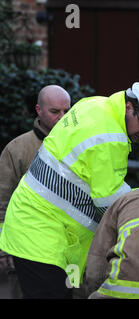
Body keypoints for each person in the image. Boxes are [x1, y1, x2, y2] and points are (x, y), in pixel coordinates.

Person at [0, 79, 139, 299]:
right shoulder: (109, 140)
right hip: (41, 241)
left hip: (50, 236)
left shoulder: (95, 104)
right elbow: (112, 203)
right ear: (129, 107)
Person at [0, 85, 71, 298]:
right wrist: (4, 251)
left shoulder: (80, 146)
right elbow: (2, 202)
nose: (62, 117)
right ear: (39, 110)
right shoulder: (17, 149)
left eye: (67, 111)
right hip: (24, 253)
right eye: (55, 111)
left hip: (66, 255)